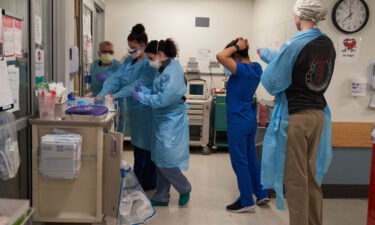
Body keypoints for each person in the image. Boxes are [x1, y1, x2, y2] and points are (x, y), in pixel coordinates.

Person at [258, 0, 335, 225]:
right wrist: (276, 57)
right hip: (318, 115)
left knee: (296, 179)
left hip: (297, 117)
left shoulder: (293, 44)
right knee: (311, 176)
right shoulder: (327, 43)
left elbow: (273, 82)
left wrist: (274, 62)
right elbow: (304, 69)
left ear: (299, 16)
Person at [97, 24, 158, 191]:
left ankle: (149, 183)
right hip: (136, 111)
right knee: (138, 146)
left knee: (148, 148)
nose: (131, 50)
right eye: (129, 47)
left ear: (144, 45)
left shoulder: (150, 64)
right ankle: (138, 180)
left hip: (147, 111)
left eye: (134, 47)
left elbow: (137, 85)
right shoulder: (128, 61)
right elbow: (115, 78)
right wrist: (102, 93)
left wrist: (115, 95)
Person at [132, 38, 191, 207]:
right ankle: (162, 195)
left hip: (171, 120)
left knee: (166, 160)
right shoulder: (163, 66)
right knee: (159, 159)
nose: (150, 62)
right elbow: (158, 90)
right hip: (162, 119)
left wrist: (142, 96)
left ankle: (184, 187)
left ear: (160, 54)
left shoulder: (173, 72)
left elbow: (163, 99)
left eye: (151, 58)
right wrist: (146, 90)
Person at [216, 38, 269, 213]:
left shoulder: (242, 70)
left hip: (237, 122)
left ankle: (246, 200)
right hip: (249, 120)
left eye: (233, 53)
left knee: (240, 162)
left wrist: (236, 46)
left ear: (236, 54)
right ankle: (261, 193)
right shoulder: (256, 68)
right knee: (251, 159)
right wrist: (238, 48)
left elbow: (220, 56)